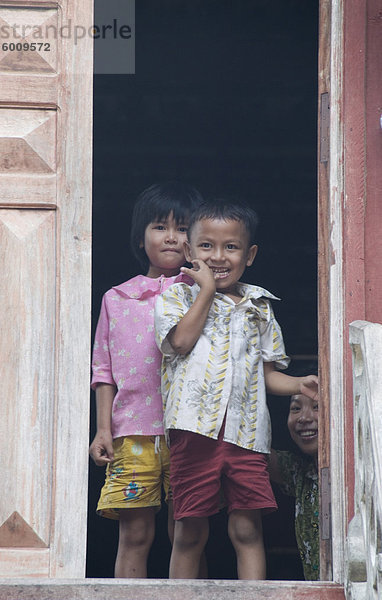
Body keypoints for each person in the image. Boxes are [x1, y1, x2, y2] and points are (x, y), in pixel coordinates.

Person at [154, 199, 318, 580]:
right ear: (190, 251)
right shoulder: (176, 297)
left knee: (246, 528)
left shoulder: (259, 306)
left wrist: (299, 384)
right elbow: (179, 343)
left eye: (231, 247)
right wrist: (206, 290)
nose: (218, 256)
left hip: (247, 436)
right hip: (194, 433)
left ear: (250, 254)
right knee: (189, 530)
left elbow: (269, 375)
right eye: (207, 246)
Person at [89, 181, 202, 578]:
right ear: (141, 237)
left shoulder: (203, 294)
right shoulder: (116, 298)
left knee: (187, 535)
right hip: (132, 433)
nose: (172, 236)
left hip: (190, 431)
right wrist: (104, 429)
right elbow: (103, 371)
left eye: (183, 227)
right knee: (134, 536)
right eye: (159, 226)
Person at [268, 391, 319, 580]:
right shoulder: (301, 473)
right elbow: (255, 452)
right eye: (296, 408)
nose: (304, 418)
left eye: (317, 406)